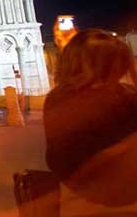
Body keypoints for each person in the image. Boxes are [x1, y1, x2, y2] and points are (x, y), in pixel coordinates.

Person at [43, 29, 137, 206]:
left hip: (85, 194)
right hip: (99, 195)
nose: (118, 71)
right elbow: (70, 160)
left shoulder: (125, 94)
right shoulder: (70, 100)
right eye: (110, 65)